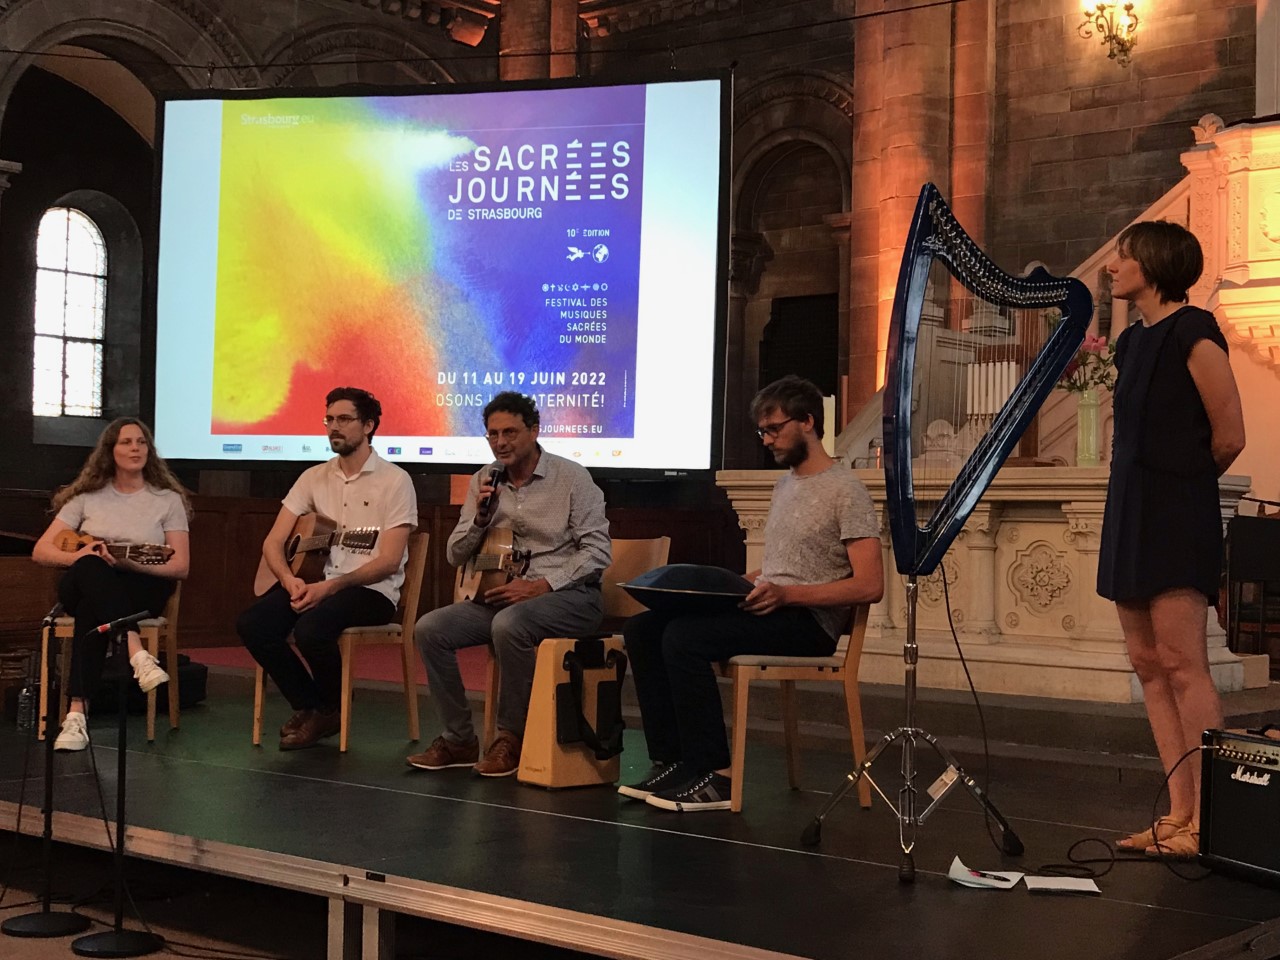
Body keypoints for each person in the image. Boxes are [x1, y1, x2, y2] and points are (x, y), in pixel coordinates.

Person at [620, 375, 884, 811]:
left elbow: (869, 585)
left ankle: (717, 776)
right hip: (773, 607)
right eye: (762, 431)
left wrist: (787, 596)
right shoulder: (786, 485)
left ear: (807, 422)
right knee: (644, 628)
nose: (766, 440)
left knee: (684, 638)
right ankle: (675, 759)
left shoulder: (846, 491)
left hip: (809, 624)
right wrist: (736, 584)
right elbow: (787, 565)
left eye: (774, 429)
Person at [1097, 221, 1246, 859]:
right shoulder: (1131, 343)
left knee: (1185, 664)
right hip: (1130, 508)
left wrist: (1180, 488)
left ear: (1152, 264)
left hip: (1176, 509)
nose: (1111, 266)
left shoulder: (1195, 331)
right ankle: (1179, 811)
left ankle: (1211, 819)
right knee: (1147, 664)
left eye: (1123, 256)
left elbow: (1230, 434)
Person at [409, 391, 611, 777]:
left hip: (571, 597)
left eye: (510, 432)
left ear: (534, 430)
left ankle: (510, 738)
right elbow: (455, 554)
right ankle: (459, 739)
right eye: (492, 434)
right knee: (430, 628)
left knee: (510, 624)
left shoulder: (572, 477)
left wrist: (544, 586)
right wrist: (481, 521)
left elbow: (598, 552)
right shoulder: (484, 480)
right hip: (505, 598)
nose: (500, 442)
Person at [237, 387, 417, 750]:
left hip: (371, 591)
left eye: (344, 419)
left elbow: (389, 560)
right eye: (329, 420)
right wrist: (288, 580)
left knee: (312, 628)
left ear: (368, 426)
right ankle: (314, 706)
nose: (334, 427)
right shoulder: (313, 477)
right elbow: (273, 543)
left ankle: (326, 709)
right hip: (314, 583)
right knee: (253, 624)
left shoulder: (396, 481)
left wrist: (330, 589)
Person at [32, 418, 191, 751]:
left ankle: (76, 715)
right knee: (91, 565)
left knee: (94, 608)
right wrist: (81, 556)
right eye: (126, 442)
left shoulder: (167, 499)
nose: (135, 448)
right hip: (87, 578)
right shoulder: (86, 497)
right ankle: (134, 646)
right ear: (110, 451)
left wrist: (126, 562)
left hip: (142, 584)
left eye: (141, 442)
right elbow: (41, 550)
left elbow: (180, 566)